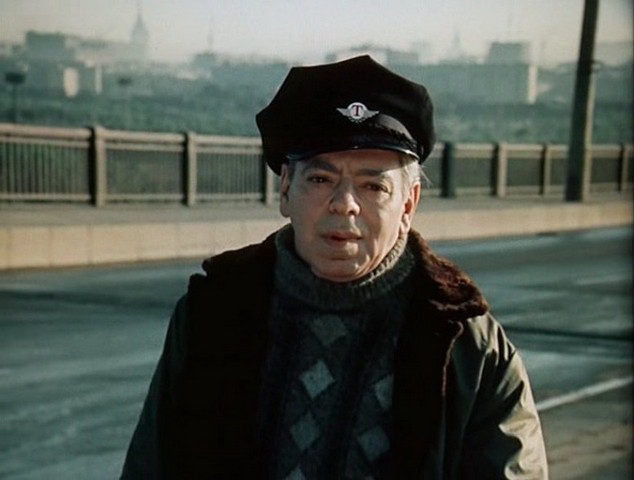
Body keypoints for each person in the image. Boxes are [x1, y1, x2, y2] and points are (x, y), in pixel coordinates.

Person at [120, 55, 548, 479]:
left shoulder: (464, 342)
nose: (345, 204)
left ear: (408, 205)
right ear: (286, 190)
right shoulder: (214, 313)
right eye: (320, 180)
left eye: (373, 186)